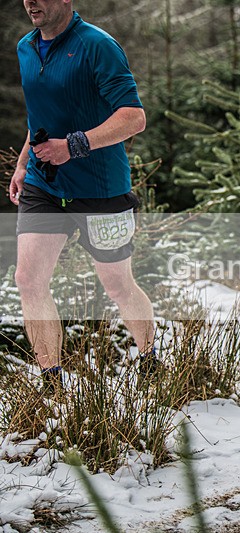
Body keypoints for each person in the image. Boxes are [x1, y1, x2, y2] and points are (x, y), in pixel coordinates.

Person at [8, 0, 156, 393]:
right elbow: (39, 117)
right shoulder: (26, 47)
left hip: (99, 188)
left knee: (118, 285)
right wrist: (24, 164)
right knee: (28, 280)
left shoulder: (97, 45)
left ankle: (149, 360)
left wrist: (72, 146)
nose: (30, 2)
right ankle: (51, 383)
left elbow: (133, 117)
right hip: (45, 184)